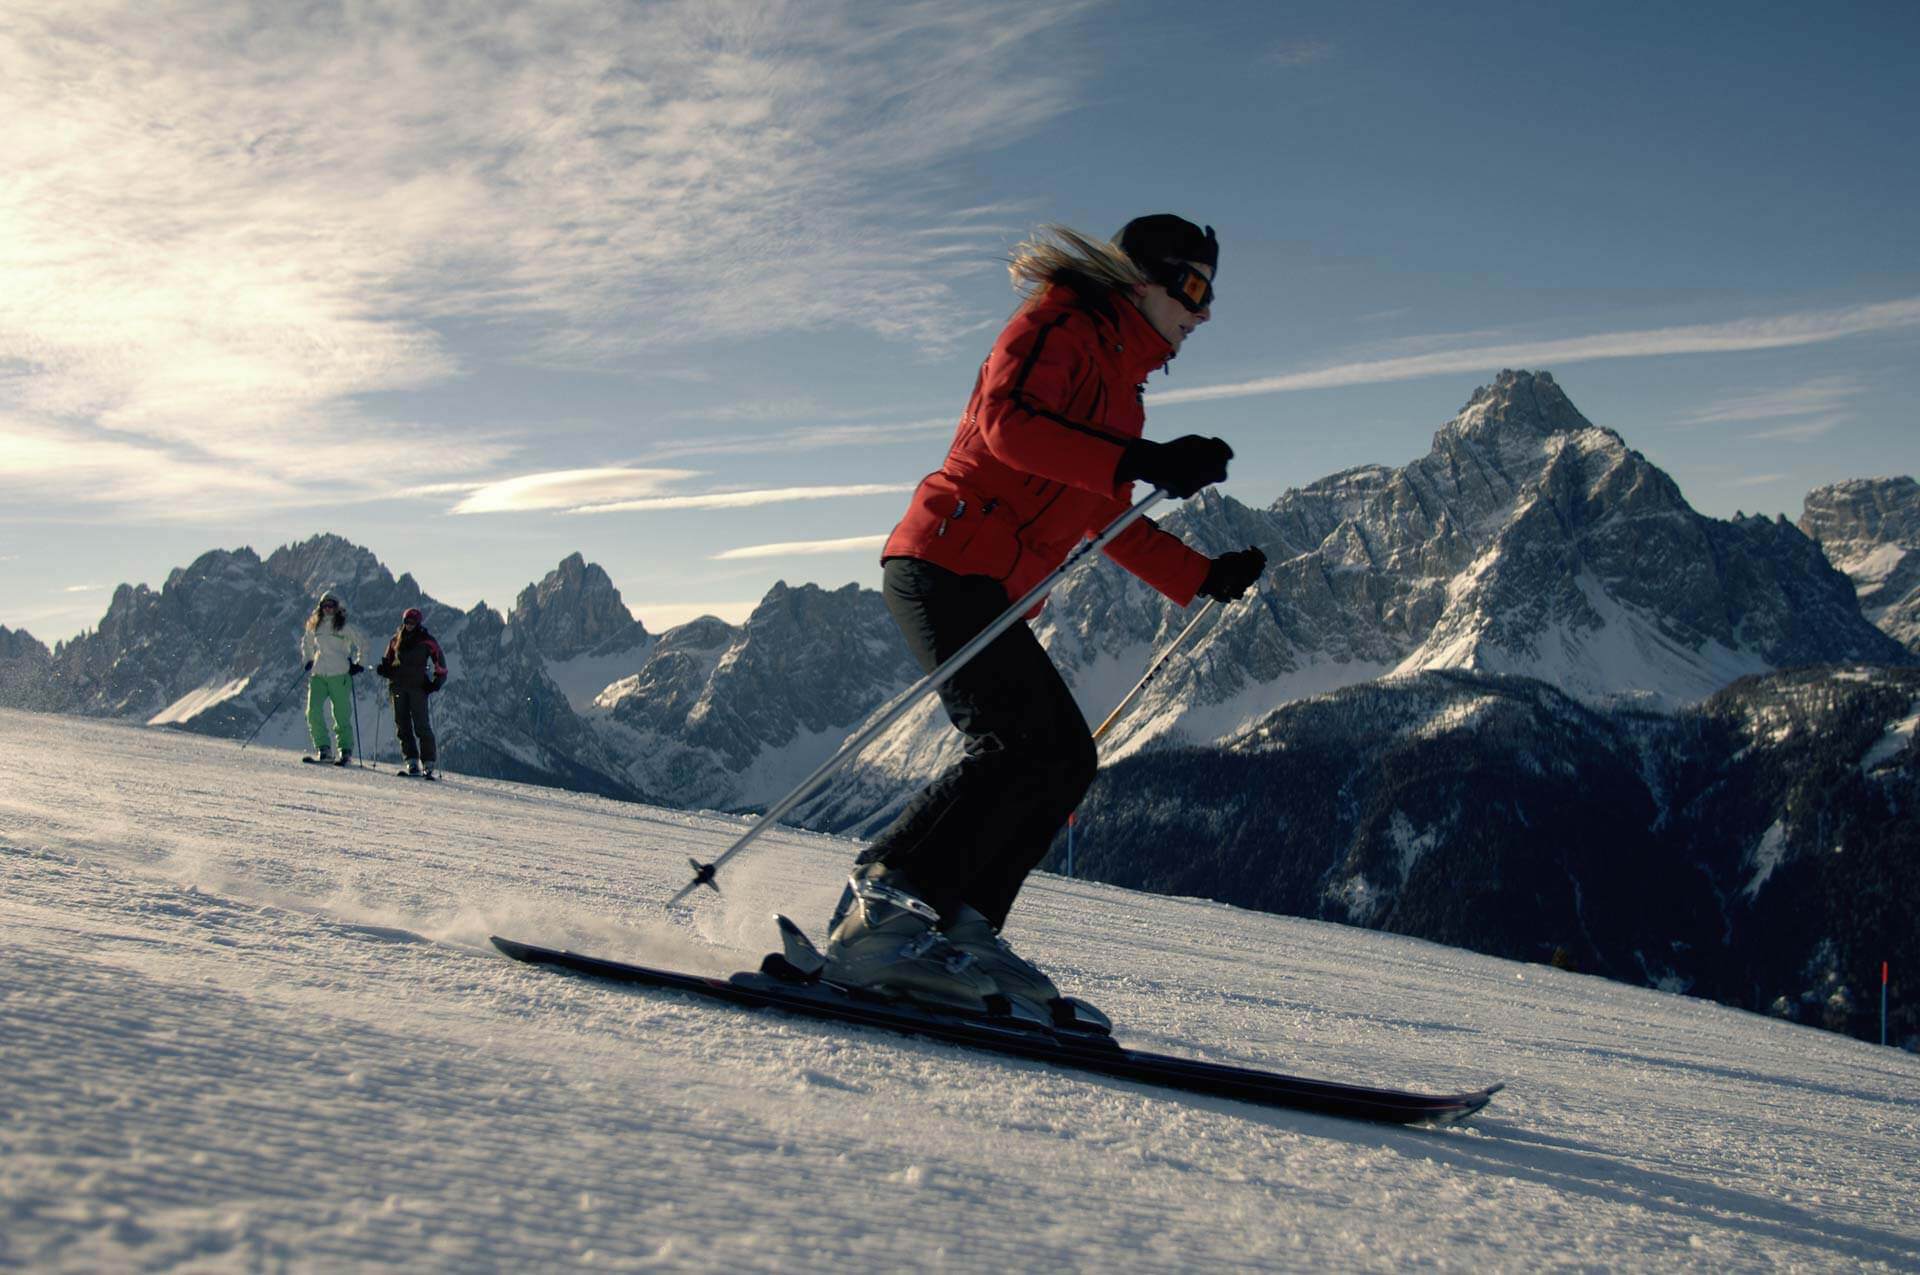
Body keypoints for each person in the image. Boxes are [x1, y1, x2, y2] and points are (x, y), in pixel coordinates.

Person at [822, 214, 1268, 1020]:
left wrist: (1202, 574)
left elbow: (1102, 515)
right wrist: (1141, 458)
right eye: (1194, 288)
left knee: (1066, 760)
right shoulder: (1054, 324)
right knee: (1019, 741)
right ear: (1142, 280)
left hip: (988, 584)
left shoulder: (1121, 384)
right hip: (940, 559)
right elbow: (1010, 428)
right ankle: (880, 914)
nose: (1203, 312)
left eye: (1211, 294)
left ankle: (960, 926)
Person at [375, 607, 448, 777]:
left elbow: (440, 663)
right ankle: (411, 761)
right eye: (407, 622)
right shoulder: (396, 640)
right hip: (398, 685)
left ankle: (428, 763)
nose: (409, 625)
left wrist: (436, 683)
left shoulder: (427, 641)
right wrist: (384, 669)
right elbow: (389, 660)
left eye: (412, 622)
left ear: (419, 623)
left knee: (421, 724)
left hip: (418, 687)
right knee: (402, 723)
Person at [300, 592, 369, 765]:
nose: (328, 609)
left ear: (337, 608)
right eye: (325, 605)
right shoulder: (315, 625)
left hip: (340, 675)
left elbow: (362, 642)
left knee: (341, 715)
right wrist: (308, 659)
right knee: (313, 711)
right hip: (319, 674)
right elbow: (306, 642)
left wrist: (360, 663)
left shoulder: (344, 626)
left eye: (331, 605)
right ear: (321, 607)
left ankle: (345, 751)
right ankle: (324, 749)